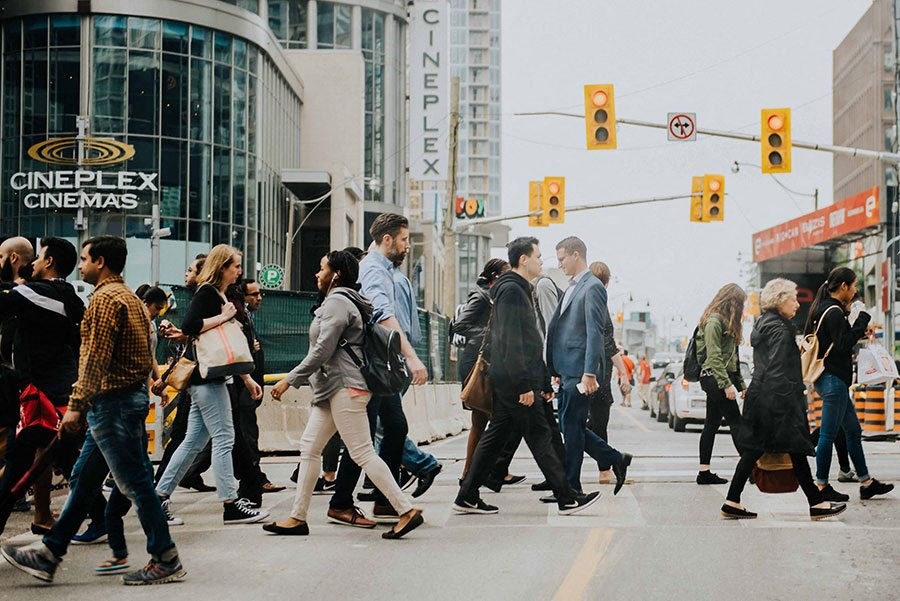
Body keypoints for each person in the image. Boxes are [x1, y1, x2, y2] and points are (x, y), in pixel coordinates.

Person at [1, 235, 186, 585]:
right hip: (122, 401)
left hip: (111, 405)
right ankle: (50, 553)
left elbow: (95, 359)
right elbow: (142, 357)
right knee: (84, 479)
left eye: (85, 259)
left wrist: (76, 406)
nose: (80, 266)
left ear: (100, 262)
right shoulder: (128, 297)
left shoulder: (103, 300)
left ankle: (165, 556)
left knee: (135, 483)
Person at [264, 250, 424, 539]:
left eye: (322, 268)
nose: (317, 273)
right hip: (333, 389)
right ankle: (297, 517)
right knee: (310, 448)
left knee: (362, 451)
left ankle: (406, 510)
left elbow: (323, 348)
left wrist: (290, 379)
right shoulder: (343, 300)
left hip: (345, 388)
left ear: (335, 274)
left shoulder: (338, 301)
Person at [453, 237, 600, 516]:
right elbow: (509, 341)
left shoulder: (520, 289)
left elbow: (530, 340)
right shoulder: (511, 290)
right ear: (524, 259)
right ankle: (566, 497)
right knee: (540, 436)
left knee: (495, 437)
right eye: (538, 257)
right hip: (513, 381)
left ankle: (467, 494)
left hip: (518, 378)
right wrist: (524, 384)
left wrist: (543, 380)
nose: (541, 262)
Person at [155, 244, 267, 525]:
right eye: (235, 266)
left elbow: (226, 345)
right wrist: (224, 316)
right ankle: (230, 503)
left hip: (212, 377)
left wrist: (246, 377)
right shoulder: (207, 292)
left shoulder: (219, 294)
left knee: (193, 441)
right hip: (208, 378)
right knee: (224, 438)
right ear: (222, 267)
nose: (239, 271)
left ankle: (158, 498)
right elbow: (192, 326)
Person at [328, 214, 428, 526]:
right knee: (367, 437)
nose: (407, 246)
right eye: (404, 239)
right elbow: (382, 316)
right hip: (370, 367)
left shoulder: (387, 270)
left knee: (392, 429)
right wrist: (411, 357)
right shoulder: (372, 269)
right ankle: (342, 502)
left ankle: (381, 501)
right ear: (387, 240)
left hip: (381, 367)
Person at [721, 278, 847, 521]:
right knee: (793, 447)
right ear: (780, 300)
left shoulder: (763, 324)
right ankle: (816, 503)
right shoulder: (781, 328)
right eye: (793, 298)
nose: (797, 305)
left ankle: (732, 500)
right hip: (777, 401)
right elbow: (779, 368)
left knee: (759, 451)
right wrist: (793, 398)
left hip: (763, 398)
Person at [0, 237, 95, 537]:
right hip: (59, 390)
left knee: (19, 463)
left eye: (39, 258)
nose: (34, 264)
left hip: (44, 392)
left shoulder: (38, 293)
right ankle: (104, 517)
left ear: (50, 262)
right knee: (67, 460)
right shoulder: (66, 295)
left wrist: (9, 274)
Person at [546, 237, 632, 496]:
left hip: (580, 370)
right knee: (569, 426)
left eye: (562, 258)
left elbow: (595, 333)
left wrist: (589, 372)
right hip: (566, 369)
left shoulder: (592, 287)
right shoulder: (573, 286)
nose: (559, 264)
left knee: (571, 427)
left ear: (575, 255)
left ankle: (571, 486)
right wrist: (554, 368)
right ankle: (615, 458)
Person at [805, 267, 893, 501]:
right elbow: (843, 343)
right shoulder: (833, 311)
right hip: (833, 380)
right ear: (843, 286)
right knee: (827, 434)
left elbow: (839, 340)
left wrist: (859, 330)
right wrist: (862, 318)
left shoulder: (822, 309)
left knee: (853, 431)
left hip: (831, 380)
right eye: (853, 286)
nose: (854, 291)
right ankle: (821, 486)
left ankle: (866, 482)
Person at [452, 258, 524, 488]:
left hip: (489, 361)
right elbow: (460, 324)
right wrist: (491, 332)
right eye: (505, 274)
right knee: (481, 420)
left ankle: (485, 472)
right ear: (494, 277)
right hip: (477, 363)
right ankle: (470, 474)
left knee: (489, 420)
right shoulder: (481, 295)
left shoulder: (494, 296)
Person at [153, 255, 215, 493]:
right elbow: (191, 347)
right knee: (193, 437)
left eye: (190, 270)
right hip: (198, 379)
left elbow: (193, 342)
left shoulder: (203, 299)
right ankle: (161, 487)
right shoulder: (200, 300)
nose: (186, 274)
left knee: (200, 438)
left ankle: (163, 486)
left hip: (202, 377)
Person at [694, 283, 747, 485]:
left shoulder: (728, 323)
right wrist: (725, 385)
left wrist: (741, 384)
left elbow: (733, 358)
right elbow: (714, 356)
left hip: (720, 377)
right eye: (740, 303)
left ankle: (704, 472)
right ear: (731, 302)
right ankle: (749, 467)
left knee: (712, 424)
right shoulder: (714, 321)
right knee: (735, 420)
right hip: (713, 377)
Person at [587, 261, 630, 485]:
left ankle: (606, 468)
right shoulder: (599, 302)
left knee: (588, 424)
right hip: (597, 374)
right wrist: (623, 373)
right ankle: (608, 467)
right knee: (595, 423)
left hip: (588, 371)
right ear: (607, 281)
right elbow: (607, 343)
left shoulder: (585, 298)